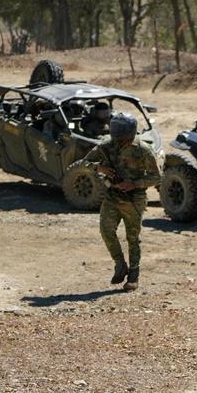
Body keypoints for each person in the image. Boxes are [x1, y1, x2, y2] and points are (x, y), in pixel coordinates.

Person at [77, 113, 161, 291]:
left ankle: (133, 275)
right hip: (112, 196)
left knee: (133, 237)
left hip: (134, 199)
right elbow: (83, 163)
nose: (120, 142)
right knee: (106, 231)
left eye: (124, 139)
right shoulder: (106, 145)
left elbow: (156, 177)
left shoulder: (143, 150)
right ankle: (120, 264)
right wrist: (99, 168)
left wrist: (134, 184)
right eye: (118, 138)